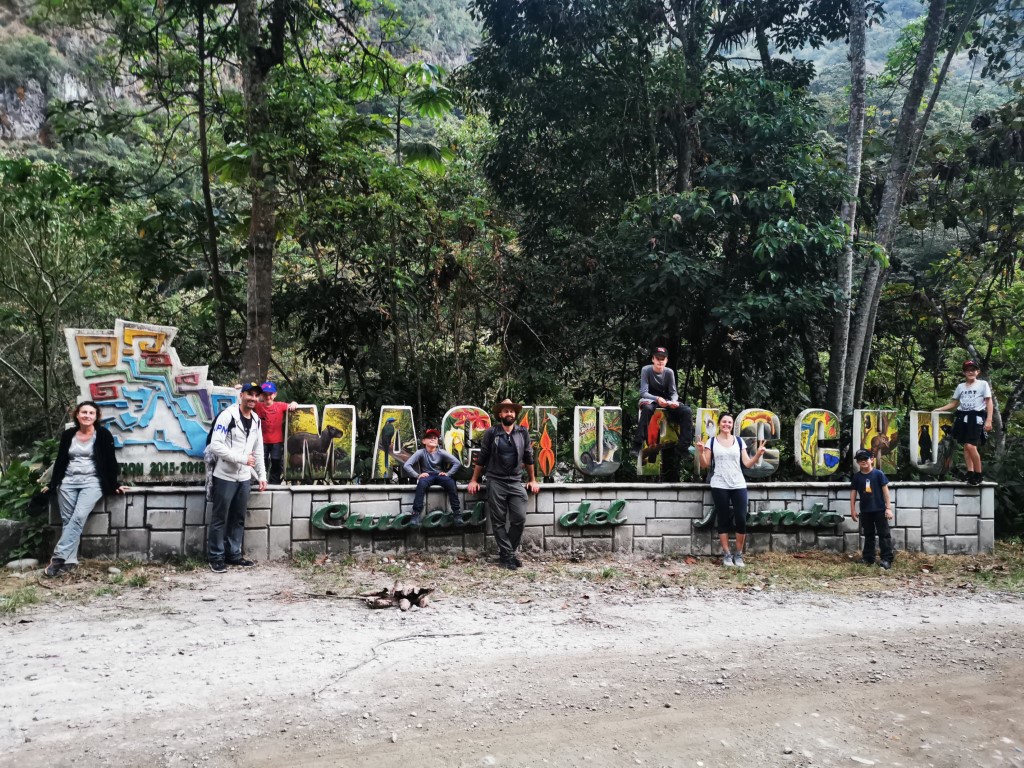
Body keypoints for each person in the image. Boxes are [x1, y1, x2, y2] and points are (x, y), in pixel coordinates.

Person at [43, 401, 128, 577]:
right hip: (68, 482)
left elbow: (110, 461)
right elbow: (60, 460)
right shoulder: (68, 435)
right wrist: (52, 484)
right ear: (77, 414)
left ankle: (58, 557)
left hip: (92, 482)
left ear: (96, 417)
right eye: (84, 412)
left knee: (79, 516)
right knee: (68, 520)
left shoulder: (103, 435)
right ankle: (70, 561)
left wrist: (114, 484)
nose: (87, 416)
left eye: (91, 413)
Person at [467, 399, 540, 570]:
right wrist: (474, 480)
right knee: (498, 521)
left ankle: (508, 553)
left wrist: (532, 479)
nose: (509, 414)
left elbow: (528, 457)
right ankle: (508, 556)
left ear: (515, 414)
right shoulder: (492, 433)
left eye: (512, 411)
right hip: (495, 480)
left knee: (519, 519)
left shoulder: (522, 432)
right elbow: (482, 457)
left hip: (515, 481)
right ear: (500, 414)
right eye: (506, 411)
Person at [207, 382, 267, 573]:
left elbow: (258, 450)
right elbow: (215, 445)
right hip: (225, 475)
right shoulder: (227, 416)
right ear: (241, 395)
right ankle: (216, 557)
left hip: (244, 478)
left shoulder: (256, 420)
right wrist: (241, 459)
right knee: (220, 518)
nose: (253, 398)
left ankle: (234, 555)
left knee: (238, 518)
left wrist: (262, 475)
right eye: (249, 394)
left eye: (256, 395)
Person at [696, 413, 765, 568]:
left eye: (729, 422)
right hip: (719, 484)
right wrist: (700, 452)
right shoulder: (712, 441)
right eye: (724, 422)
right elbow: (705, 464)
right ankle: (727, 554)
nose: (727, 424)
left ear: (732, 425)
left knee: (741, 518)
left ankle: (738, 554)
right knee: (723, 519)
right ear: (719, 424)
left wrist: (758, 454)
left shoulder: (739, 441)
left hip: (738, 484)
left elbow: (747, 464)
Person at [631, 347, 693, 476]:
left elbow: (673, 392)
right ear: (653, 359)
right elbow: (643, 392)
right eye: (657, 358)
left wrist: (674, 401)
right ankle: (637, 445)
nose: (660, 361)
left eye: (662, 359)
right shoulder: (646, 370)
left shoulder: (669, 372)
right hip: (650, 399)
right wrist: (657, 399)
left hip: (666, 400)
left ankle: (683, 447)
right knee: (647, 409)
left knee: (686, 411)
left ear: (666, 360)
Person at [935, 360, 994, 485]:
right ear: (964, 372)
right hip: (963, 416)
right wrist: (940, 409)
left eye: (973, 370)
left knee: (971, 445)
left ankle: (978, 474)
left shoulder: (982, 384)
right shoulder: (961, 387)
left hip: (976, 416)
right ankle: (970, 472)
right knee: (966, 447)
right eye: (968, 370)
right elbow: (954, 403)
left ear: (978, 372)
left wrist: (989, 419)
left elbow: (989, 402)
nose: (970, 372)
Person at [403, 428, 463, 526]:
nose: (433, 439)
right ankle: (415, 514)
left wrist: (448, 474)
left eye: (435, 438)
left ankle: (457, 513)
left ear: (438, 441)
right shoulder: (420, 452)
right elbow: (407, 465)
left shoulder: (441, 452)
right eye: (430, 437)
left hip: (440, 475)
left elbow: (457, 463)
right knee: (421, 483)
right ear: (424, 441)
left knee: (451, 482)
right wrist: (417, 475)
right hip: (427, 476)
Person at [849, 448, 894, 569]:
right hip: (865, 511)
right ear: (857, 462)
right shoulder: (857, 477)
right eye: (860, 459)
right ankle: (868, 558)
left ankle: (886, 559)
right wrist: (852, 510)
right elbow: (853, 494)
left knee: (884, 535)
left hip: (880, 510)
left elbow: (886, 493)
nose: (863, 461)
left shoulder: (878, 474)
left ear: (871, 459)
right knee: (868, 535)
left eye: (865, 458)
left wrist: (888, 508)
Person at [254, 381, 298, 485]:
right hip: (262, 441)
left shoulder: (280, 405)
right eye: (265, 394)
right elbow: (243, 401)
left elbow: (292, 405)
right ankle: (260, 481)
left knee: (276, 461)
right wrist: (238, 390)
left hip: (276, 441)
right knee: (262, 461)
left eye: (270, 394)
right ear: (261, 395)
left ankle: (275, 483)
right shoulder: (257, 406)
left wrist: (294, 403)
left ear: (275, 395)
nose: (268, 397)